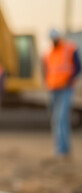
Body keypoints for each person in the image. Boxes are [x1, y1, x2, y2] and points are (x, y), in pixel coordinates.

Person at [43, 29, 81, 160]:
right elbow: (47, 70)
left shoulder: (70, 49)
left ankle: (63, 150)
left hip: (66, 89)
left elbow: (77, 67)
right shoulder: (49, 53)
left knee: (61, 118)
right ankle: (59, 148)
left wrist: (69, 80)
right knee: (55, 119)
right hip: (53, 88)